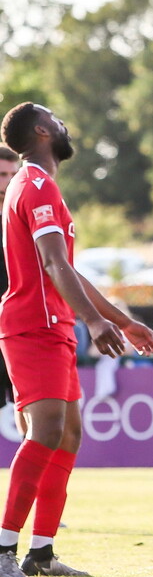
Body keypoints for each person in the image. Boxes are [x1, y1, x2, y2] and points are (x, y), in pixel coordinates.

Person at [0, 102, 153, 577]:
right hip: (33, 326)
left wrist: (121, 320)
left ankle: (41, 552)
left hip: (55, 327)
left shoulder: (39, 186)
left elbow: (67, 269)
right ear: (45, 131)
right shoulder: (36, 185)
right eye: (58, 119)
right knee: (45, 431)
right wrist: (93, 321)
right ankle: (3, 547)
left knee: (68, 435)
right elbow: (53, 266)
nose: (66, 124)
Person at [0, 147, 20, 419]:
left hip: (18, 327)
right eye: (2, 174)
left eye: (14, 175)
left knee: (25, 406)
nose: (8, 181)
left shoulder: (22, 216)